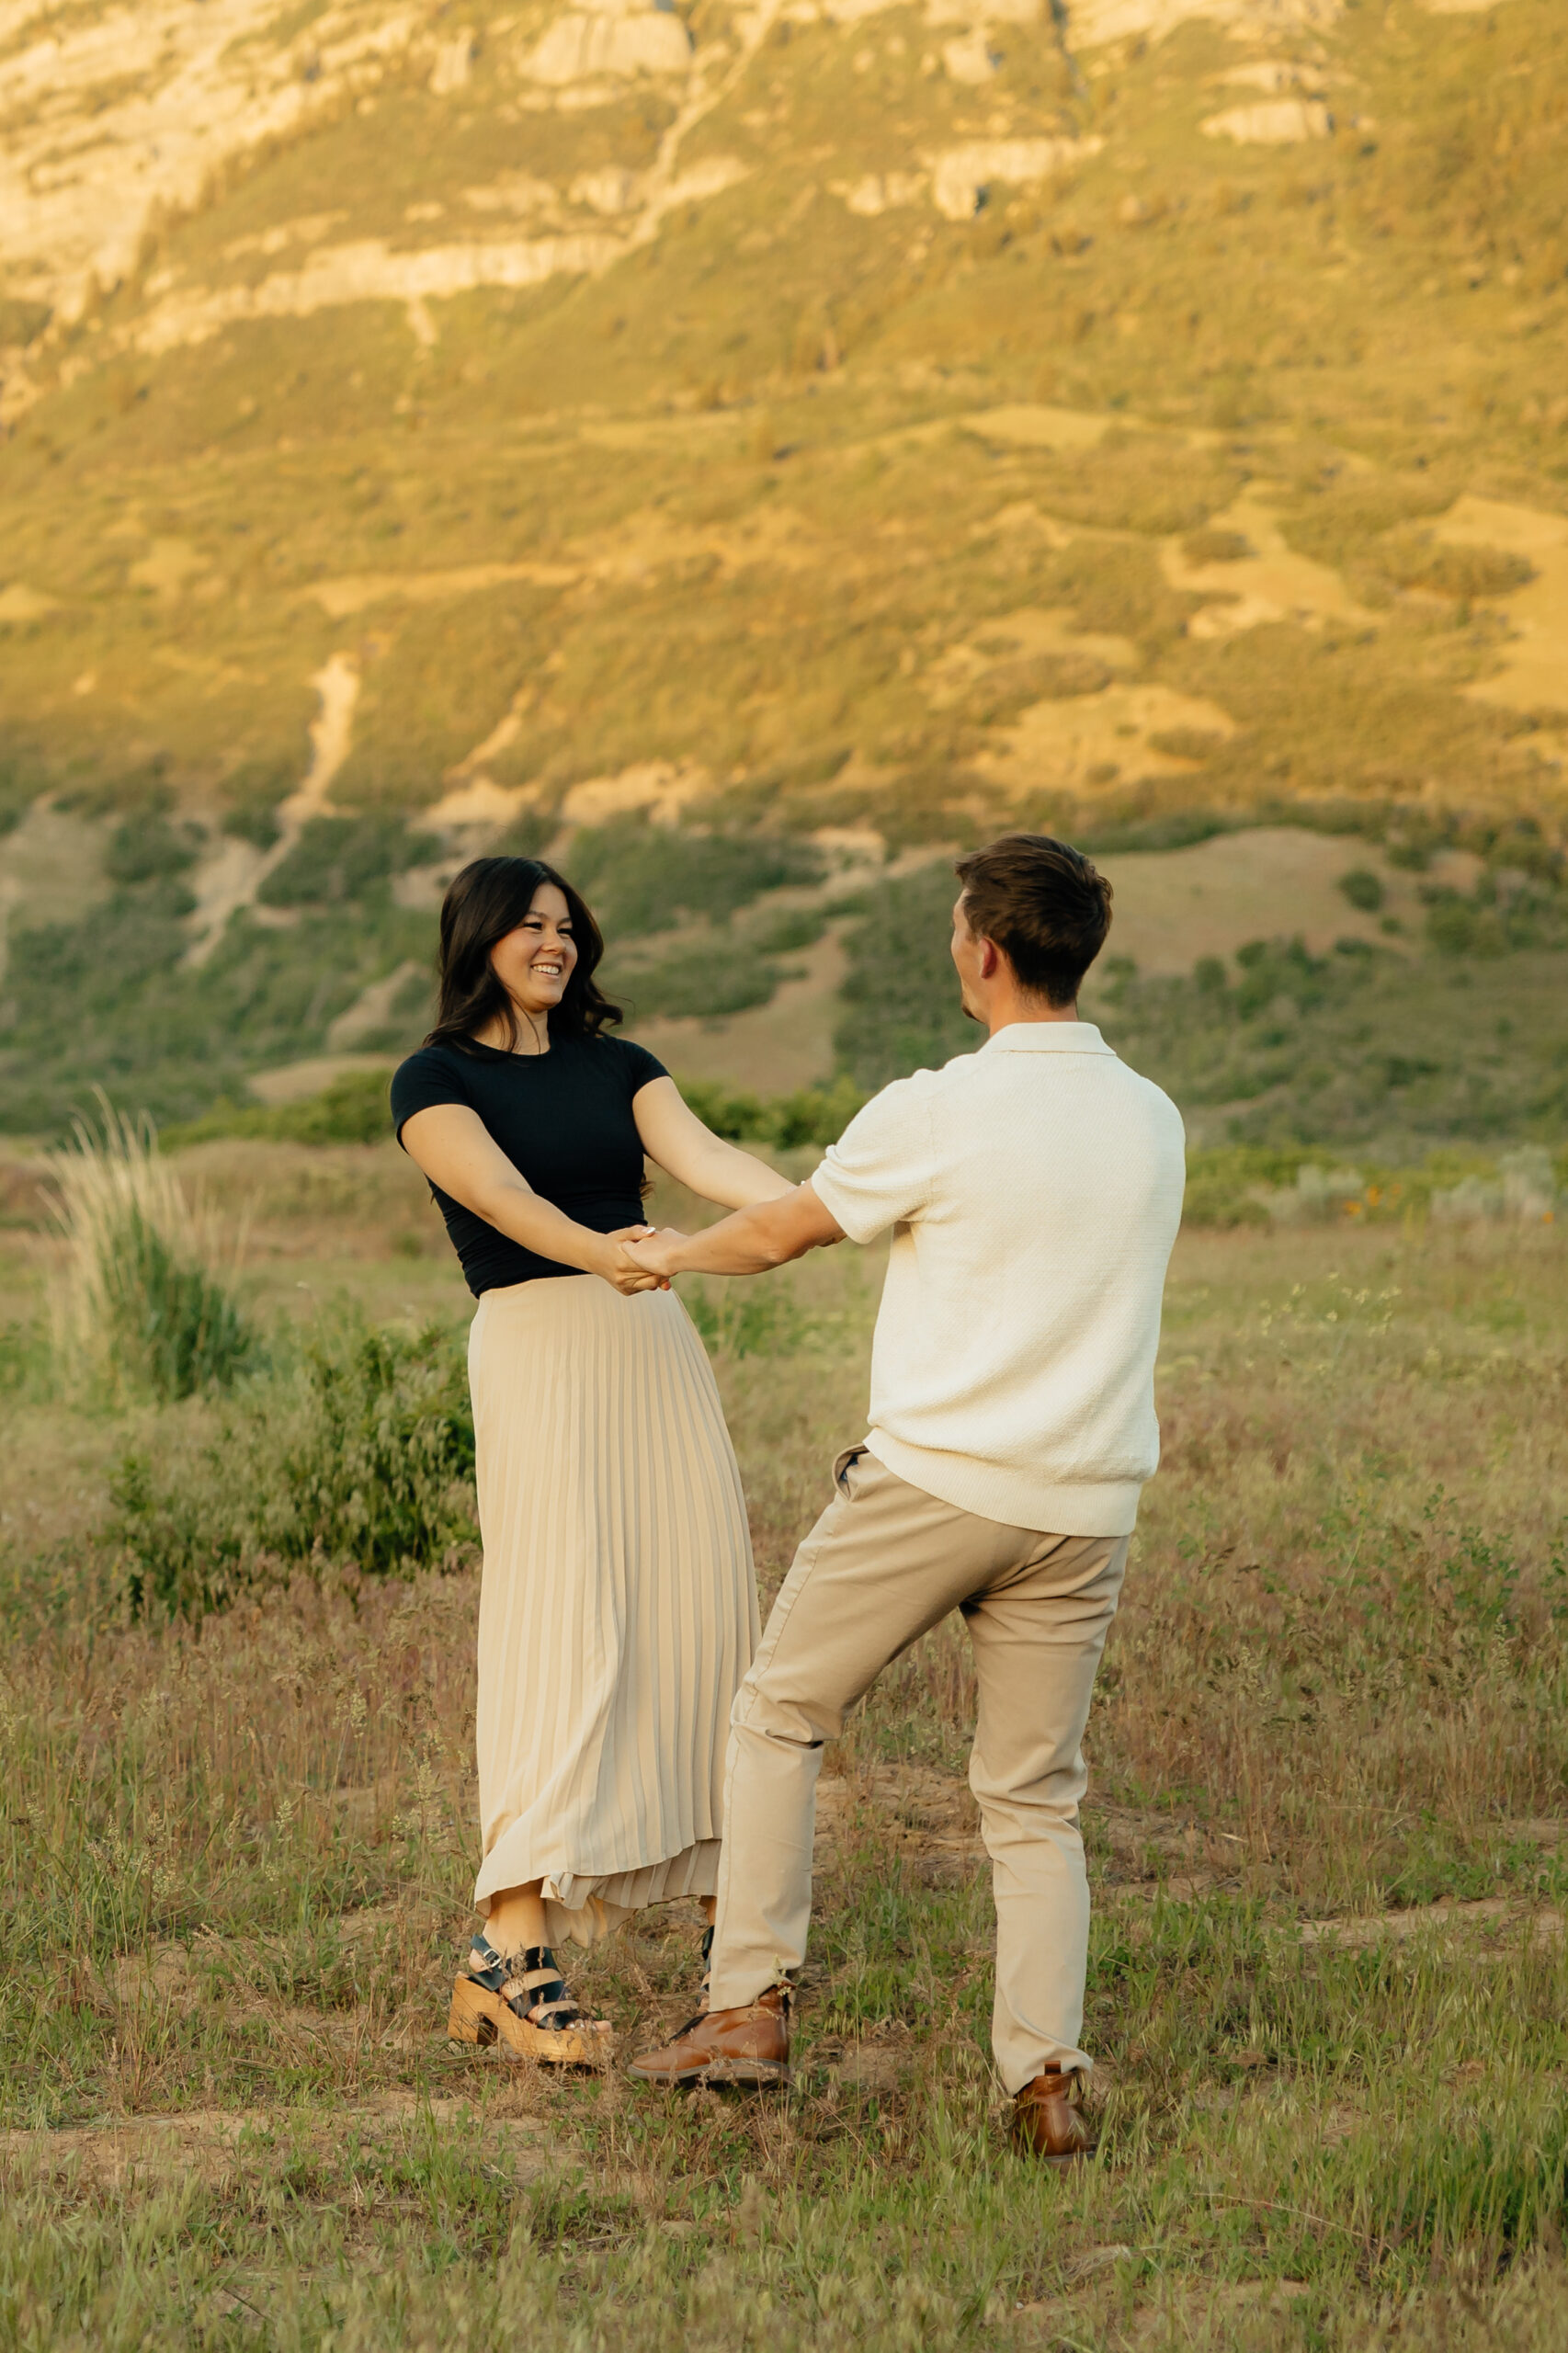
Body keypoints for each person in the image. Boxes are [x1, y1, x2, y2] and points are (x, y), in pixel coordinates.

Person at [622, 833, 1185, 2157]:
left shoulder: (938, 1106)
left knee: (777, 1713)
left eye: (953, 930)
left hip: (935, 1486)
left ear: (982, 953)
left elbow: (782, 1231)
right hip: (1087, 1502)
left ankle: (746, 2008)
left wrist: (670, 1254)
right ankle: (1044, 2082)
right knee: (1034, 1803)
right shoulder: (1150, 1115)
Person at [391, 855, 794, 2064]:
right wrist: (605, 1252)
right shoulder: (434, 1078)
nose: (554, 943)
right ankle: (510, 1951)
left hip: (652, 1348)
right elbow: (500, 1199)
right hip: (542, 1349)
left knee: (700, 1624)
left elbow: (711, 1163)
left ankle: (738, 1960)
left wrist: (812, 1204)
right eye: (528, 925)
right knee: (561, 1630)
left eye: (566, 926)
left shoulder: (622, 1067)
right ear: (478, 938)